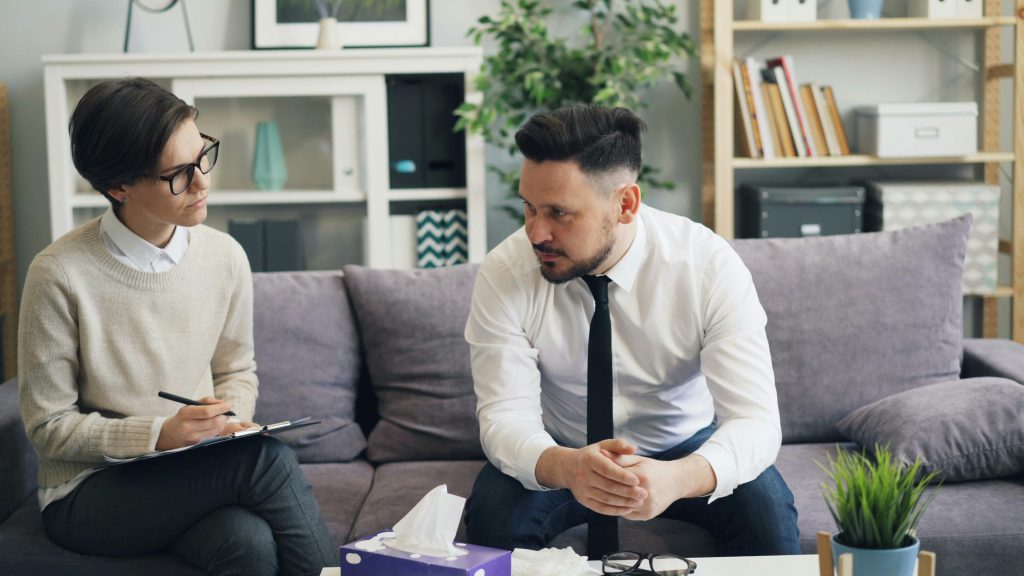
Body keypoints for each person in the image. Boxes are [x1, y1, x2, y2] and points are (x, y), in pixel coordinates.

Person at [18, 77, 334, 576]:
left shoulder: (224, 256)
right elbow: (48, 430)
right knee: (266, 462)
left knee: (246, 542)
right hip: (87, 493)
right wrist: (160, 435)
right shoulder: (58, 273)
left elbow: (237, 370)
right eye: (178, 175)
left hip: (189, 475)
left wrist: (228, 418)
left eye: (203, 155)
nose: (203, 182)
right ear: (118, 187)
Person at [463, 104, 799, 558]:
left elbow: (755, 422)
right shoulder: (506, 271)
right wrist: (566, 465)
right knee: (492, 515)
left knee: (768, 512)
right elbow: (504, 417)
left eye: (559, 213)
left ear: (625, 204)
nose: (536, 232)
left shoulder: (707, 267)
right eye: (529, 207)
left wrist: (680, 476)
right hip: (563, 445)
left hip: (685, 444)